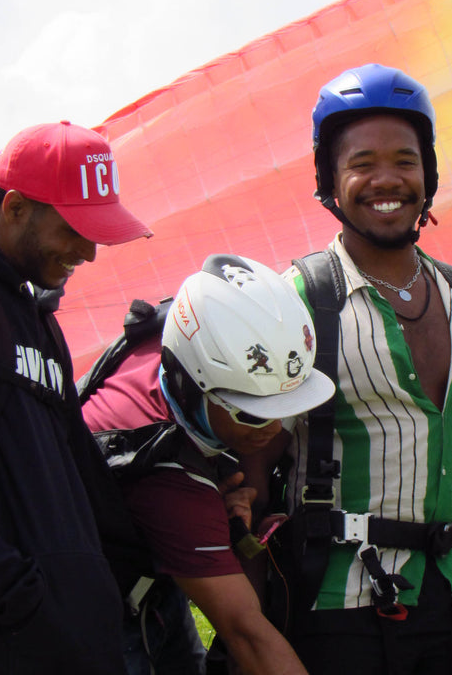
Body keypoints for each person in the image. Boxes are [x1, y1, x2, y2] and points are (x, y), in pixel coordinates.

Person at [258, 63, 452, 674]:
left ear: (428, 173)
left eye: (405, 160)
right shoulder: (293, 300)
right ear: (329, 178)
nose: (388, 180)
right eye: (363, 163)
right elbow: (251, 471)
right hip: (339, 605)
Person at [82, 253, 335, 675]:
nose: (273, 429)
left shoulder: (174, 335)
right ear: (193, 383)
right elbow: (247, 634)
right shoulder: (169, 483)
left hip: (143, 577)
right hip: (98, 613)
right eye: (251, 413)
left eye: (287, 408)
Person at [0, 120, 152, 674]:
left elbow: (80, 478)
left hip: (70, 642)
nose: (90, 252)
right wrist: (23, 605)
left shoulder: (39, 323)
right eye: (75, 227)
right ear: (17, 207)